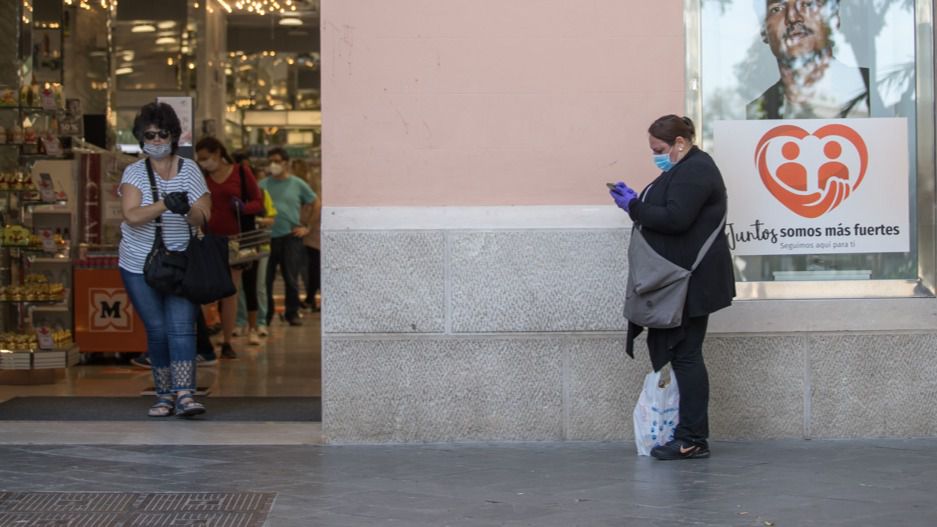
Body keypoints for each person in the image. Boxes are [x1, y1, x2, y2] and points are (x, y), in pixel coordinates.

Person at [609, 115, 735, 460]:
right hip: (684, 281)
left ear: (680, 142)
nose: (656, 156)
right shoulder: (686, 168)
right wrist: (637, 202)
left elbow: (676, 219)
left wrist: (634, 206)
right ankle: (689, 434)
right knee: (684, 355)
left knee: (687, 355)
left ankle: (693, 438)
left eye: (659, 150)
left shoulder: (696, 169)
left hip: (692, 283)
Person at [118, 101, 211, 418]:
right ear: (141, 137)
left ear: (174, 137)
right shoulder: (134, 172)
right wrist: (164, 205)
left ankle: (185, 394)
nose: (157, 141)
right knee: (157, 329)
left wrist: (186, 210)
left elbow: (204, 216)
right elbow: (131, 215)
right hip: (138, 263)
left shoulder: (190, 170)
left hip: (182, 262)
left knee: (182, 327)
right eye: (150, 135)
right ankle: (163, 395)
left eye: (163, 134)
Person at [195, 137, 265, 358]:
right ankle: (204, 338)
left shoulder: (241, 173)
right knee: (209, 290)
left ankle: (227, 341)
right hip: (210, 239)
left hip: (237, 239)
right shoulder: (203, 178)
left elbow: (258, 201)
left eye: (206, 158)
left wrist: (244, 208)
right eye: (200, 159)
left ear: (217, 153)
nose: (204, 162)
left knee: (231, 291)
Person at [746, 0, 870, 119]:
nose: (792, 17)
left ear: (834, 18)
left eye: (807, 4)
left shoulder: (872, 89)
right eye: (777, 9)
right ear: (763, 31)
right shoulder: (755, 114)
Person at [261, 147, 316, 326]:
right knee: (266, 280)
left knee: (291, 278)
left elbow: (315, 202)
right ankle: (266, 315)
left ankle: (292, 312)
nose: (273, 165)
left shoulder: (297, 184)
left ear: (286, 162)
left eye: (276, 160)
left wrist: (307, 227)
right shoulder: (262, 185)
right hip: (266, 238)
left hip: (291, 236)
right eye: (270, 161)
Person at [293, 158, 322, 312]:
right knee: (309, 267)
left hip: (308, 232)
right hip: (310, 232)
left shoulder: (306, 187)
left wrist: (307, 224)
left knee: (309, 267)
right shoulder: (309, 185)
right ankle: (310, 298)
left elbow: (314, 206)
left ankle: (310, 298)